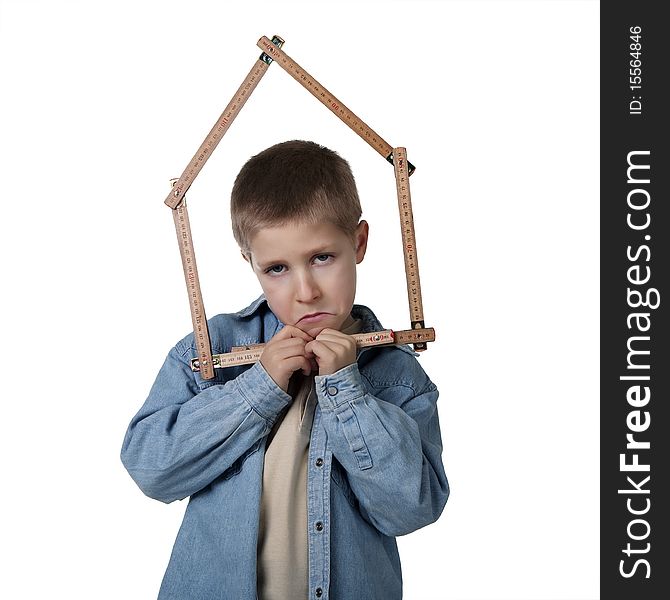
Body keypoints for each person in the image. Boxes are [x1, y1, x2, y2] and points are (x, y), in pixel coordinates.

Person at [120, 140, 449, 600]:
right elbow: (152, 468)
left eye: (322, 258)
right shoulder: (216, 349)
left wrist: (347, 392)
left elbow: (410, 509)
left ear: (358, 243)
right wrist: (257, 388)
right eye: (277, 267)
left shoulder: (397, 375)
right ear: (250, 264)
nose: (306, 291)